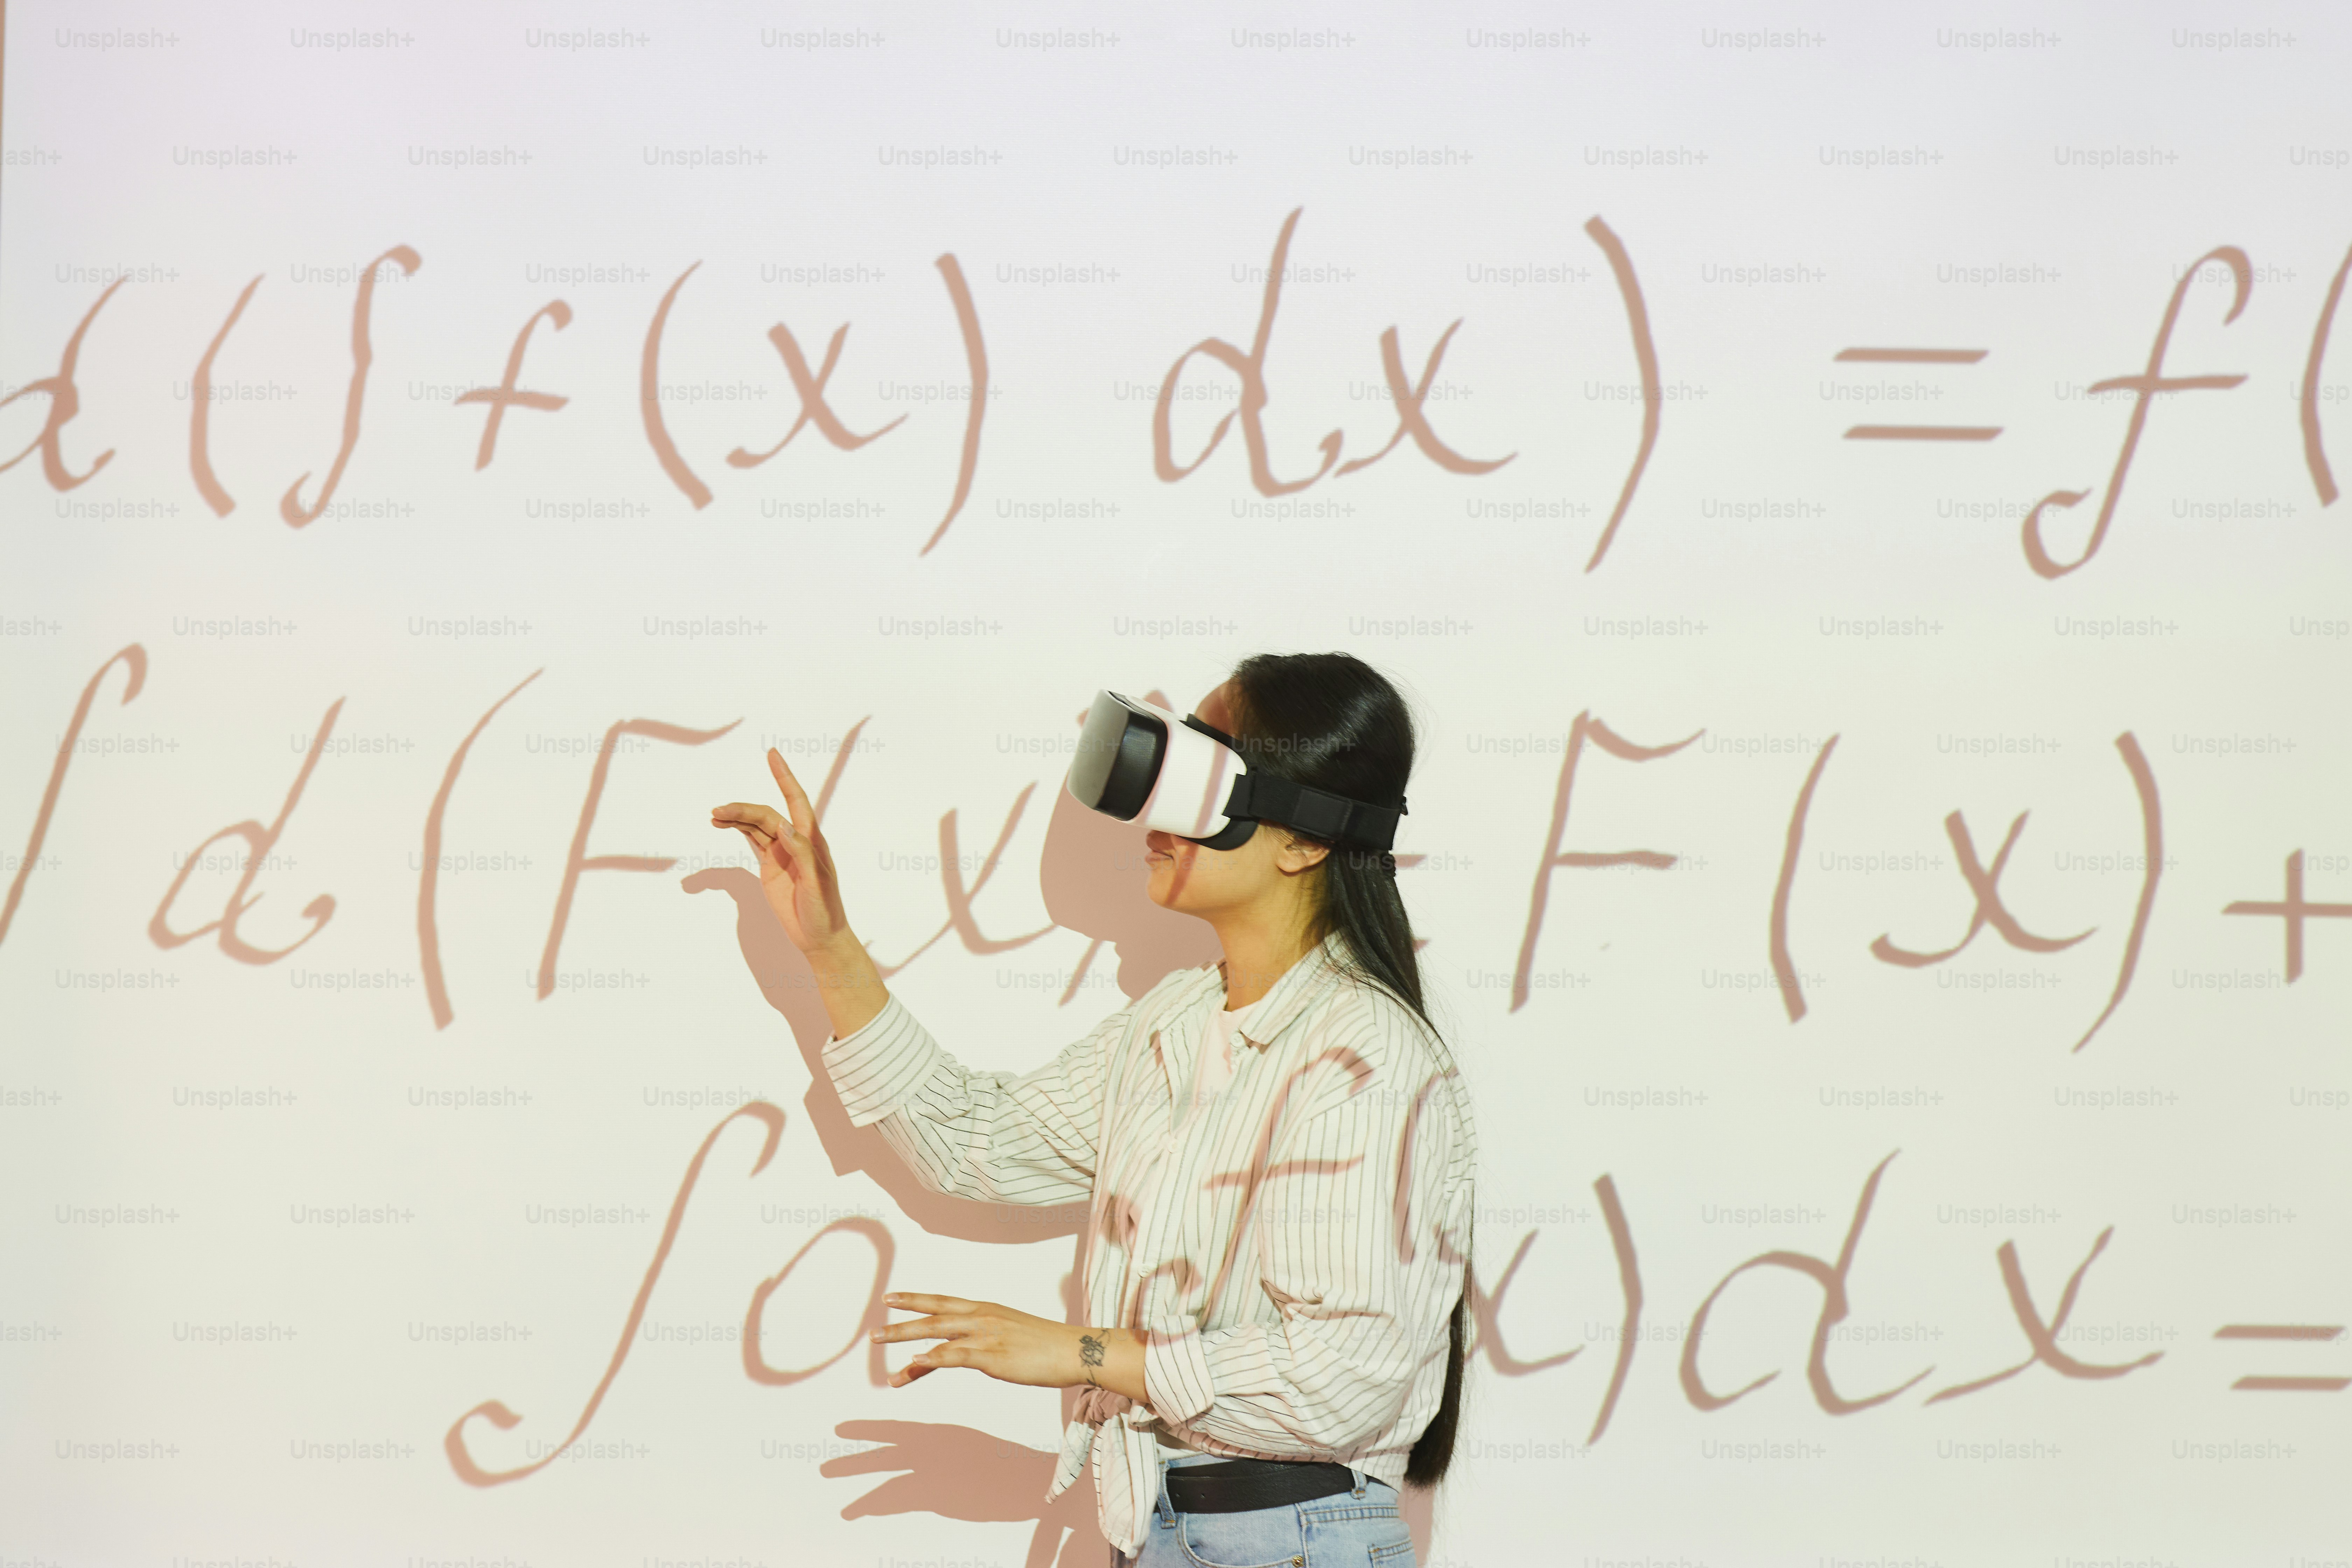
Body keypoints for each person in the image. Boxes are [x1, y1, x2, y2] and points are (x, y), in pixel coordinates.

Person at [711, 652, 1476, 1566]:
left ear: (1304, 840)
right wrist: (830, 946)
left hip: (1290, 1538)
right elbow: (978, 1142)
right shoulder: (1176, 1023)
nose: (1155, 814)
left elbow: (1346, 1377)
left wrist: (1080, 1353)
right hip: (1166, 1531)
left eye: (1201, 780)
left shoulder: (1368, 1056)